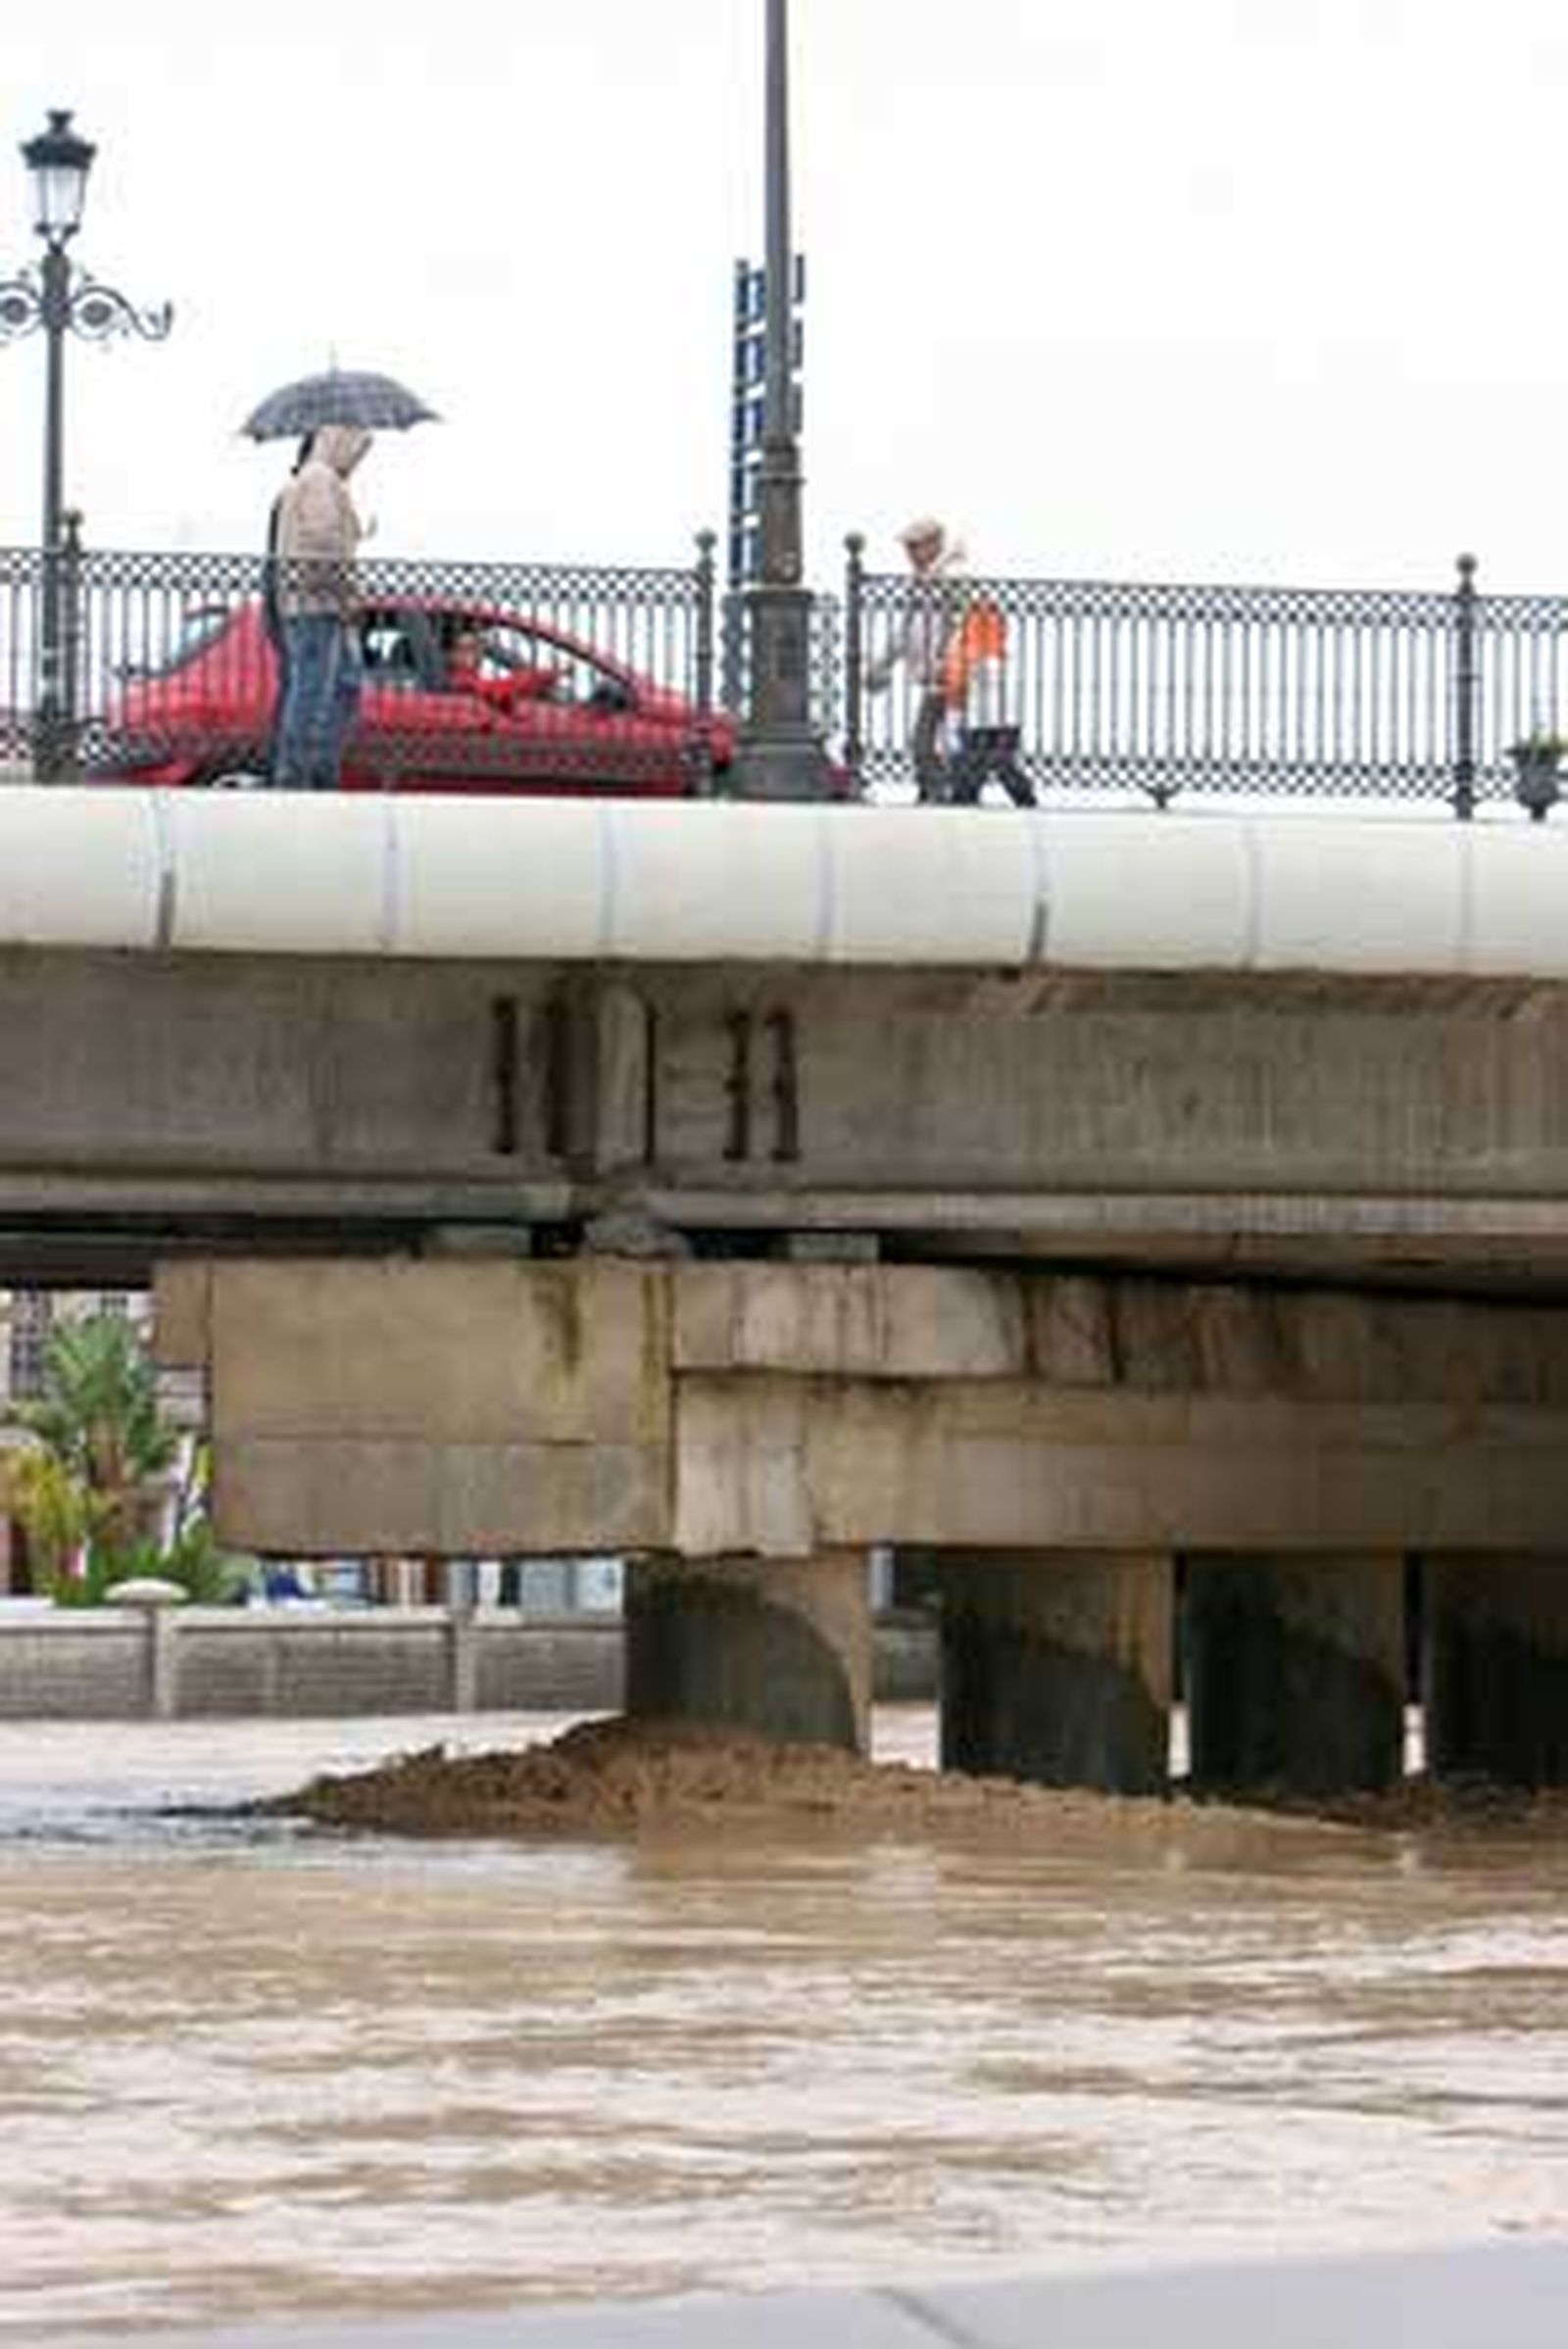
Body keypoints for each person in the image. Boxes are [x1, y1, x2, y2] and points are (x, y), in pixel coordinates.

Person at [270, 422, 371, 789]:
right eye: (356, 449)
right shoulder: (320, 480)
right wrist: (346, 595)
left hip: (314, 602)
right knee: (315, 695)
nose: (358, 459)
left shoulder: (322, 482)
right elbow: (322, 545)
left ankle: (315, 768)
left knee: (340, 687)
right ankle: (301, 775)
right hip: (318, 604)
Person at [865, 515, 965, 801]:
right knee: (934, 740)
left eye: (914, 546)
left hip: (951, 675)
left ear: (933, 544)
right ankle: (934, 790)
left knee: (928, 740)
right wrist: (883, 661)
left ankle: (937, 792)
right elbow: (907, 630)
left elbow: (959, 624)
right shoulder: (921, 581)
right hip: (937, 677)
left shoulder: (952, 574)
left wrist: (942, 660)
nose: (908, 553)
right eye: (908, 547)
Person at [259, 436, 314, 781]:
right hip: (293, 599)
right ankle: (289, 769)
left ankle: (285, 766)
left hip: (281, 597)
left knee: (293, 683)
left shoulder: (288, 493)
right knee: (300, 685)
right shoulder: (301, 493)